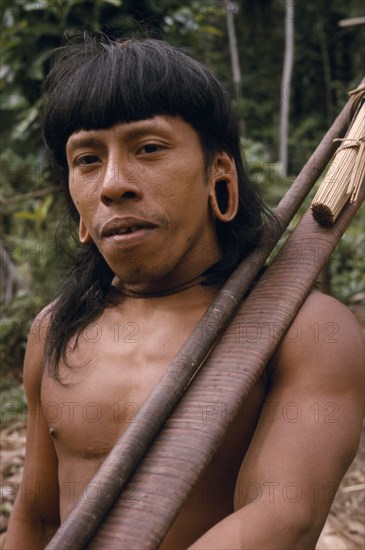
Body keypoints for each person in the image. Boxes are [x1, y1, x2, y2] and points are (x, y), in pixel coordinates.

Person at [5, 33, 364, 550]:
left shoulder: (302, 329)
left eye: (148, 148)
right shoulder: (56, 330)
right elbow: (35, 522)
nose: (112, 184)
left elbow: (284, 515)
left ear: (219, 173)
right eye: (86, 160)